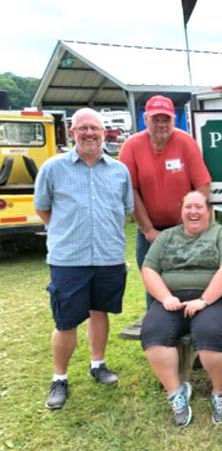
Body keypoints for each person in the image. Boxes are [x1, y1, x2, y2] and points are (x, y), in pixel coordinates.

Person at [34, 108, 134, 410]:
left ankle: (98, 364)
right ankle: (60, 378)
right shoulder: (53, 168)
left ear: (104, 132)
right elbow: (43, 209)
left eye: (95, 128)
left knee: (99, 311)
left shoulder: (119, 171)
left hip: (108, 257)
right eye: (83, 128)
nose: (89, 133)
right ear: (72, 131)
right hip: (69, 259)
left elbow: (126, 210)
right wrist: (68, 230)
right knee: (66, 321)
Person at [140, 191, 222, 427]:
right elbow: (149, 270)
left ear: (208, 211)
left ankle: (220, 394)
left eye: (199, 207)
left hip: (216, 298)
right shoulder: (166, 237)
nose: (193, 212)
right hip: (172, 299)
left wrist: (204, 300)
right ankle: (176, 394)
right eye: (188, 207)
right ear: (181, 211)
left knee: (210, 333)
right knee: (153, 333)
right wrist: (165, 297)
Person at [119, 95, 212, 309]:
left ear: (173, 119)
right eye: (156, 119)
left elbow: (203, 185)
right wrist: (149, 230)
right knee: (155, 288)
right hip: (151, 233)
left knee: (190, 284)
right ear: (145, 119)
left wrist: (190, 225)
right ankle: (159, 333)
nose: (161, 125)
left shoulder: (185, 142)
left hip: (185, 230)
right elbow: (130, 191)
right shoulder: (131, 146)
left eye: (166, 119)